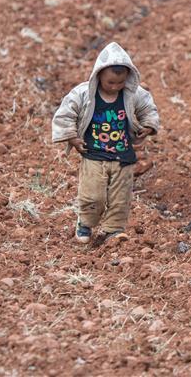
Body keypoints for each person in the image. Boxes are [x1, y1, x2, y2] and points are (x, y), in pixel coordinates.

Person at [52, 42, 160, 245]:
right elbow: (66, 113)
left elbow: (148, 108)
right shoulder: (83, 94)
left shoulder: (132, 94)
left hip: (123, 156)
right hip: (93, 154)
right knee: (93, 195)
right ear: (98, 75)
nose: (115, 87)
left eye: (120, 83)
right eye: (110, 82)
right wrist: (72, 137)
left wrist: (148, 126)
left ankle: (113, 229)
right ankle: (85, 222)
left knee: (121, 198)